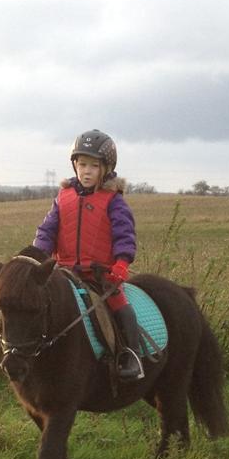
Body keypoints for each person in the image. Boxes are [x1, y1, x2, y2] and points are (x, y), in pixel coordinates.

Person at [31, 129, 146, 382]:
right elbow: (47, 231)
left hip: (100, 274)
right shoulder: (63, 197)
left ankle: (131, 354)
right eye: (82, 164)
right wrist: (38, 254)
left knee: (119, 304)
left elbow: (124, 236)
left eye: (94, 166)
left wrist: (121, 263)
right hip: (64, 272)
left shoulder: (114, 201)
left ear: (106, 168)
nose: (86, 171)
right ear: (74, 165)